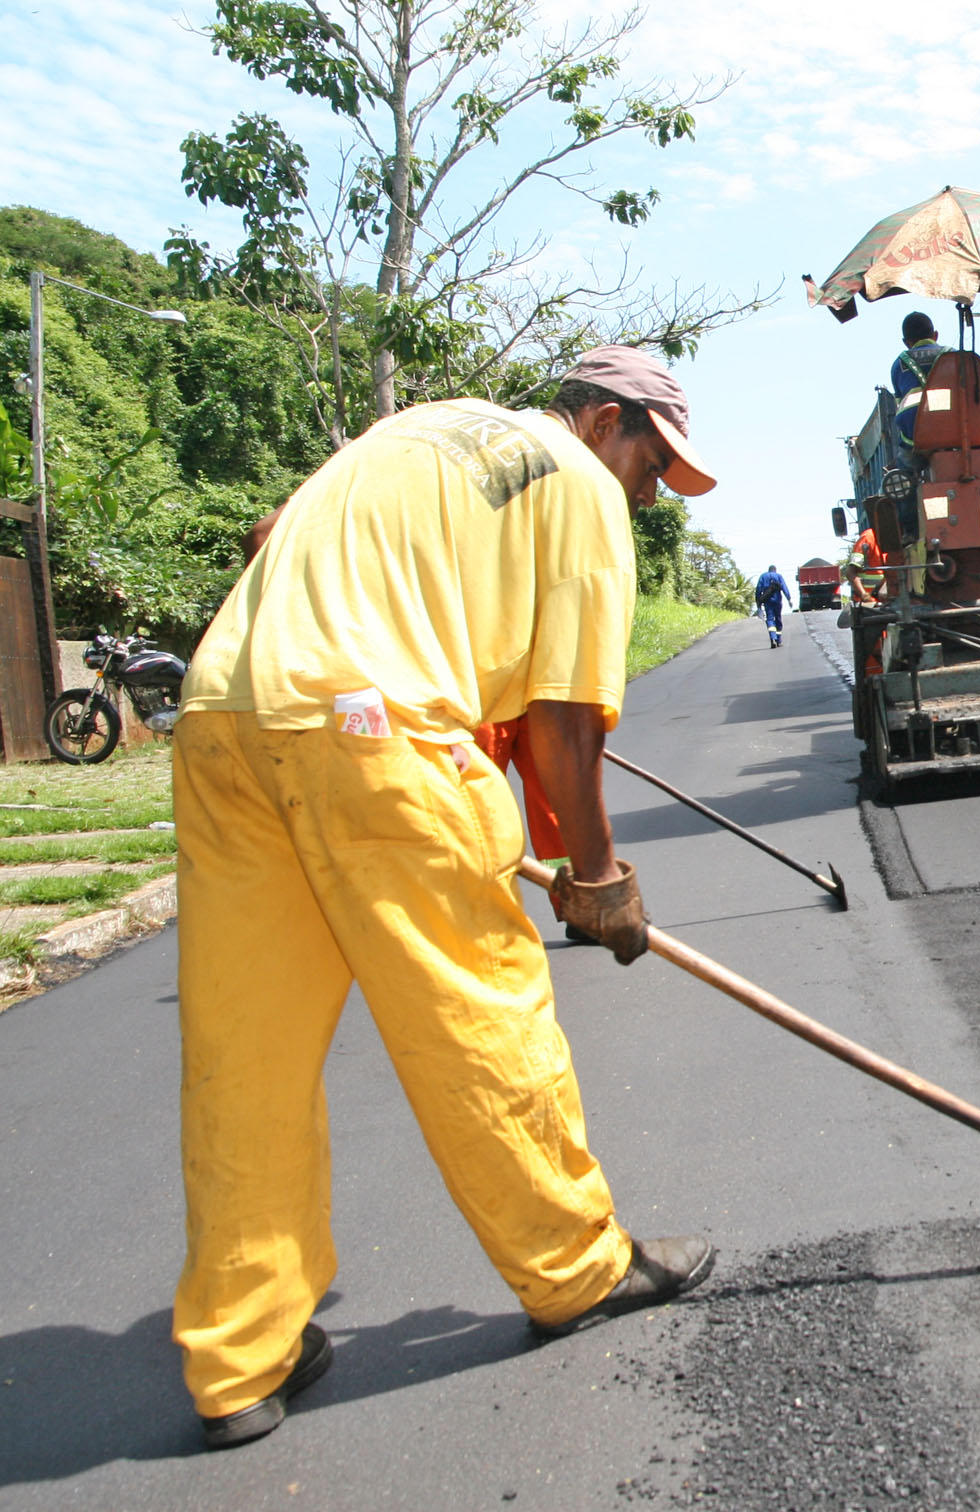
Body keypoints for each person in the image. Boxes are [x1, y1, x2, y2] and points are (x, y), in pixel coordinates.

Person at [169, 345, 720, 1450]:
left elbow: (270, 538)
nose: (650, 494)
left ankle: (241, 1355)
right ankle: (574, 1268)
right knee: (477, 1010)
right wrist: (600, 879)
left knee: (247, 1056)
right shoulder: (577, 488)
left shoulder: (410, 430)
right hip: (372, 735)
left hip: (223, 716)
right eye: (653, 465)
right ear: (604, 420)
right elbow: (565, 722)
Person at [890, 311, 948, 451]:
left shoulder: (899, 364)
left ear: (906, 343)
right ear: (935, 335)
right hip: (955, 425)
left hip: (915, 434)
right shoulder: (952, 355)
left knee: (906, 460)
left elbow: (899, 403)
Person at [754, 563, 788, 649]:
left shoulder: (763, 576)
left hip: (767, 602)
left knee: (770, 620)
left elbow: (758, 589)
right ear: (775, 570)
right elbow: (784, 587)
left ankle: (773, 638)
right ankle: (778, 640)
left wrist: (758, 602)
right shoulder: (778, 576)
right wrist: (789, 598)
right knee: (778, 619)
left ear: (768, 570)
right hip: (777, 601)